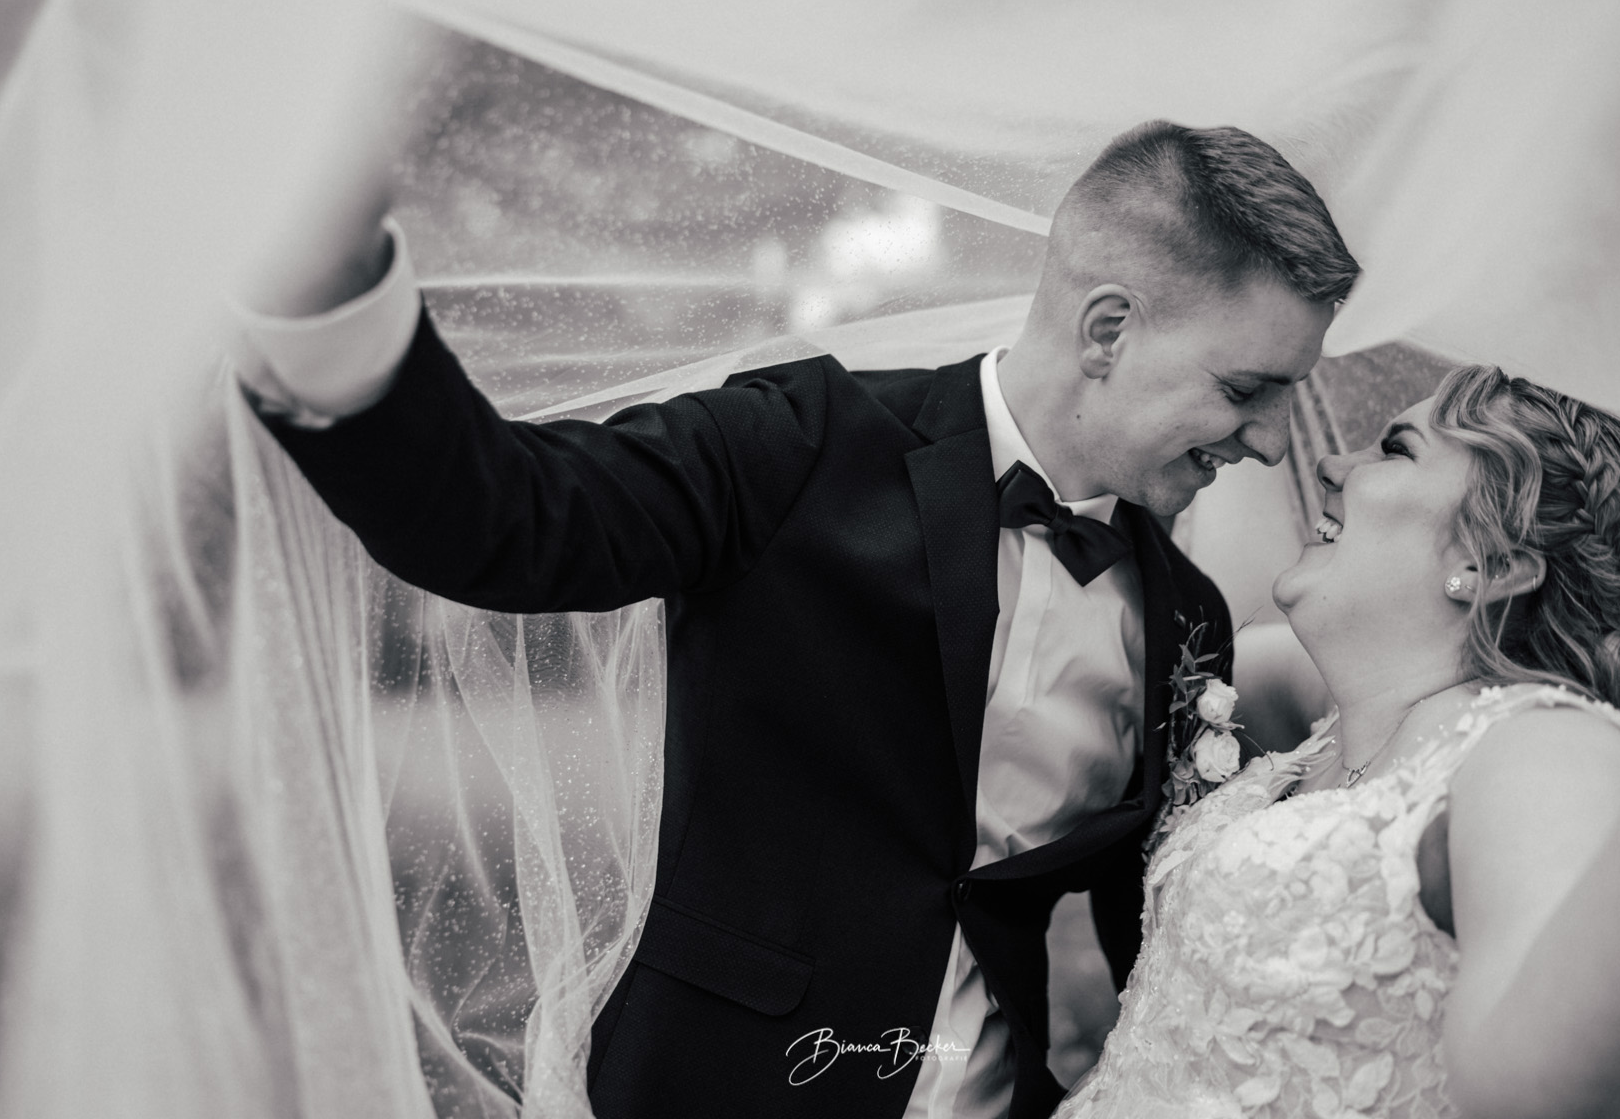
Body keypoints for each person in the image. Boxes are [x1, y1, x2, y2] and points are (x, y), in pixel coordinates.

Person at [235, 120, 1359, 1119]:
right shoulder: (800, 446)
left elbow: (1163, 940)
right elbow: (503, 520)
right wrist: (330, 287)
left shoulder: (1189, 618)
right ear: (1107, 330)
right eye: (1245, 391)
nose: (1270, 443)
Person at [1059, 367, 1620, 1119]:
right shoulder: (1335, 720)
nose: (1332, 464)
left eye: (1396, 448)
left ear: (1492, 564)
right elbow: (1167, 653)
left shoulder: (1540, 746)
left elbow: (1550, 1071)